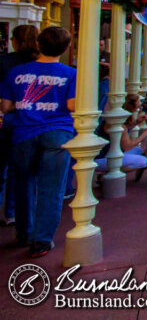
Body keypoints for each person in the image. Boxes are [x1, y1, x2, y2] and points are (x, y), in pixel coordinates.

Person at [0, 26, 75, 257]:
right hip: (57, 132)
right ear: (65, 48)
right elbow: (72, 106)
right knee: (51, 188)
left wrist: (26, 105)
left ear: (39, 45)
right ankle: (41, 241)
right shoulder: (70, 74)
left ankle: (24, 232)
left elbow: (6, 106)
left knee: (24, 185)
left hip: (24, 133)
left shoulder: (16, 73)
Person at [0, 24, 39, 227]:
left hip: (8, 118)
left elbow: (4, 104)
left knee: (3, 168)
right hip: (32, 121)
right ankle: (13, 212)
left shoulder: (5, 62)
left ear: (14, 40)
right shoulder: (38, 65)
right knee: (21, 171)